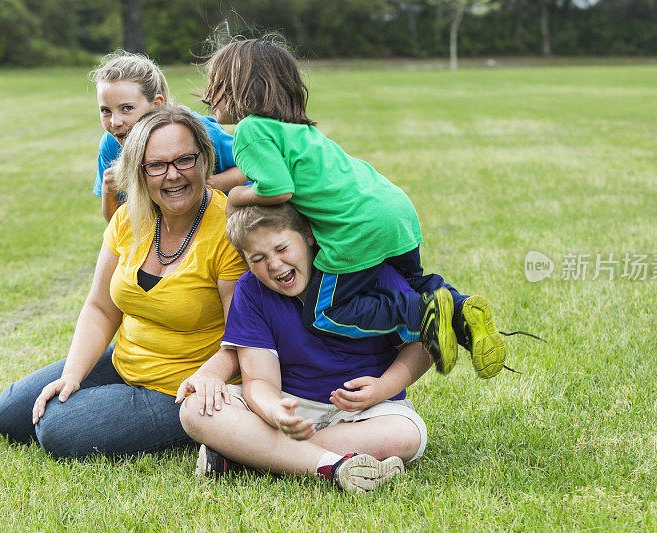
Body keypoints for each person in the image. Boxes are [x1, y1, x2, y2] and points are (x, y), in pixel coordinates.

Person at [203, 36, 508, 379]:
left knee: (327, 310)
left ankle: (425, 314)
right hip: (394, 208)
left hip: (356, 228)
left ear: (237, 88)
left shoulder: (249, 129)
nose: (209, 95)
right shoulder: (296, 130)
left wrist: (235, 197)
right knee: (409, 281)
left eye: (214, 85)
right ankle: (465, 312)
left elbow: (277, 189)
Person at [0, 106, 247, 458]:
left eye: (185, 160)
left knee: (58, 429)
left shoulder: (227, 230)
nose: (172, 176)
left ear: (204, 159)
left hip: (184, 386)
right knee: (9, 414)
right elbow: (100, 307)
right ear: (139, 172)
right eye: (156, 165)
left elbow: (244, 337)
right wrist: (73, 375)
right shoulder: (129, 217)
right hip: (125, 360)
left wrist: (209, 379)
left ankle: (210, 423)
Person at [178, 204, 432, 494]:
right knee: (195, 409)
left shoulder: (367, 274)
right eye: (258, 258)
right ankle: (331, 466)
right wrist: (275, 412)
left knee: (404, 436)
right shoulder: (251, 291)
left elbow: (423, 344)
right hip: (290, 404)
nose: (274, 264)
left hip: (366, 411)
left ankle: (246, 457)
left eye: (282, 248)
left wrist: (383, 387)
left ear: (309, 236)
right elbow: (259, 380)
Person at [90, 50, 247, 222]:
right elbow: (117, 227)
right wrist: (108, 191)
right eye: (106, 110)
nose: (115, 122)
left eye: (127, 108)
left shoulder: (198, 131)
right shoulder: (111, 143)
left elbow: (249, 167)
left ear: (157, 104)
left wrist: (208, 183)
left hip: (233, 220)